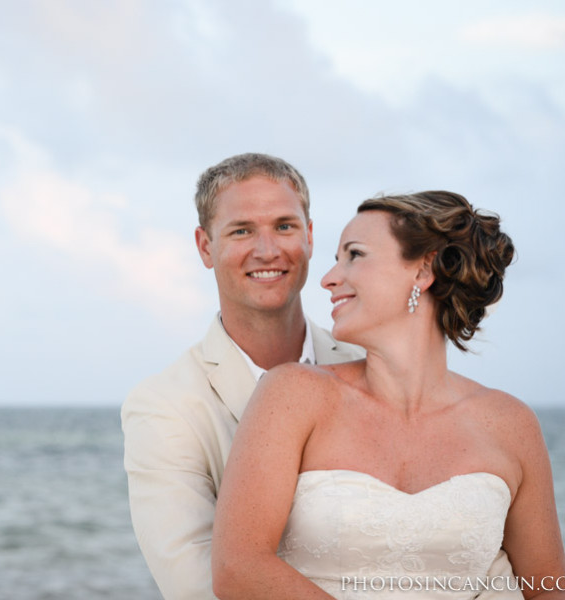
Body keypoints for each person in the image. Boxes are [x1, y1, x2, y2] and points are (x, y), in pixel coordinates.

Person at [211, 191, 565, 599]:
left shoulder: (510, 423)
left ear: (423, 271)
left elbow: (548, 588)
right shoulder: (292, 395)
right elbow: (238, 568)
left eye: (355, 255)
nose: (329, 278)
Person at [122, 152, 376, 599]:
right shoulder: (164, 406)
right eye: (242, 230)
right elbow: (196, 585)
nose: (268, 250)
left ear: (311, 236)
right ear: (205, 246)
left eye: (284, 226)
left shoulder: (370, 365)